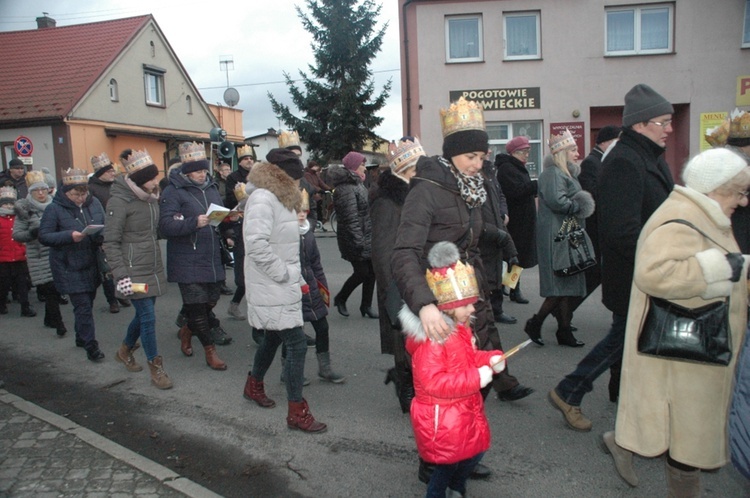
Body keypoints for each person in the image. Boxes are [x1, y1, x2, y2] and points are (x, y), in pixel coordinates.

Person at [392, 97, 533, 483]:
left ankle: (459, 450)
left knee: (480, 376)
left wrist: (500, 240)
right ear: (453, 153)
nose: (479, 163)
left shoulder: (471, 184)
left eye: (483, 155)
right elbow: (404, 251)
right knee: (443, 389)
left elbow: (467, 236)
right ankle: (435, 459)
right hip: (438, 302)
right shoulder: (427, 189)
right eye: (472, 155)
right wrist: (424, 306)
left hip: (473, 297)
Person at [601, 148, 750, 494]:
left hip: (692, 349)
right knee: (688, 439)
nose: (743, 202)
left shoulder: (701, 211)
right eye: (739, 192)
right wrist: (723, 268)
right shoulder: (682, 217)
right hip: (687, 350)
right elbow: (654, 274)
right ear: (716, 188)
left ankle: (623, 442)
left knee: (680, 429)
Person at [549, 83, 675, 432]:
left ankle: (605, 398)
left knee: (630, 341)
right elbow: (622, 233)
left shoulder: (646, 157)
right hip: (638, 274)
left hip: (648, 271)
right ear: (640, 124)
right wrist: (662, 262)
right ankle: (570, 390)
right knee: (622, 339)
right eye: (663, 121)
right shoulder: (624, 162)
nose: (670, 128)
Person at [399, 241, 506, 498]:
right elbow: (435, 383)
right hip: (443, 418)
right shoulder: (432, 341)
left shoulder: (459, 327)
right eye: (467, 304)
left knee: (472, 453)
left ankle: (456, 489)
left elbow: (468, 358)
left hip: (461, 411)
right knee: (447, 466)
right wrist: (476, 377)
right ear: (447, 306)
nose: (472, 309)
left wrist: (489, 359)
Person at [241, 148, 326, 433]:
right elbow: (257, 245)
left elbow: (284, 239)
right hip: (272, 283)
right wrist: (286, 274)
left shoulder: (280, 198)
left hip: (281, 282)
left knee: (272, 339)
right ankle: (296, 412)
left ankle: (254, 384)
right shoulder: (263, 198)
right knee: (296, 344)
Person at [104, 149, 172, 389]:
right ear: (139, 180)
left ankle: (124, 350)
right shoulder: (119, 201)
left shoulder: (150, 197)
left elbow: (154, 231)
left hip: (151, 264)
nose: (156, 181)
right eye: (152, 178)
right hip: (131, 269)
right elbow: (110, 241)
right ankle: (156, 368)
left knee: (143, 314)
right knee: (148, 317)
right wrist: (120, 274)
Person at [159, 142, 229, 371]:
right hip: (186, 256)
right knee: (197, 307)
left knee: (211, 301)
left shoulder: (211, 187)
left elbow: (217, 216)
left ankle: (187, 331)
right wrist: (192, 223)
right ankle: (210, 351)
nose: (202, 174)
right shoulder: (172, 191)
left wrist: (228, 223)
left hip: (210, 254)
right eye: (198, 171)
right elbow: (165, 226)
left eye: (204, 170)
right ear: (187, 172)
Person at [523, 129, 594, 347]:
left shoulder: (564, 173)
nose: (577, 152)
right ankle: (536, 322)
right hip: (557, 237)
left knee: (566, 285)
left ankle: (563, 331)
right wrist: (580, 204)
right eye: (572, 149)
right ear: (561, 153)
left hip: (564, 235)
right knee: (558, 286)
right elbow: (558, 201)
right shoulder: (553, 173)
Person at [371, 136, 425, 413]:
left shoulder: (418, 193)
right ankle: (404, 383)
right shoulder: (387, 200)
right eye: (417, 167)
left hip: (420, 273)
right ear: (404, 170)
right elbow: (381, 248)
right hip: (399, 279)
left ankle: (415, 381)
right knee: (405, 337)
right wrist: (390, 286)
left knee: (420, 336)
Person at [39, 168, 106, 361]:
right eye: (76, 194)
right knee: (82, 306)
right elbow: (44, 236)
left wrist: (101, 236)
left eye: (83, 193)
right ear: (65, 192)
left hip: (91, 261)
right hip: (68, 264)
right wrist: (69, 236)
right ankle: (91, 346)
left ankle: (81, 336)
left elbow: (104, 223)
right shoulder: (54, 209)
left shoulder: (94, 204)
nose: (80, 198)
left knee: (88, 302)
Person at [297, 191, 345, 383]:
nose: (301, 214)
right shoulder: (284, 234)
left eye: (303, 210)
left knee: (322, 328)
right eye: (295, 210)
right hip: (293, 290)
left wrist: (322, 286)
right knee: (293, 335)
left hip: (311, 289)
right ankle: (289, 371)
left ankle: (325, 368)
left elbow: (316, 263)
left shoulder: (308, 233)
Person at [12, 171, 63, 332]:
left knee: (55, 289)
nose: (40, 193)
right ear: (30, 192)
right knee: (49, 289)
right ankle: (58, 323)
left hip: (56, 252)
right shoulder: (25, 209)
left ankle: (49, 318)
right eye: (36, 190)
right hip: (38, 255)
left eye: (43, 189)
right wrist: (32, 233)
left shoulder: (56, 205)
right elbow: (17, 235)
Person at [329, 151, 378, 319]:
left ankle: (366, 306)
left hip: (365, 235)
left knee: (372, 272)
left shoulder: (358, 184)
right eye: (363, 164)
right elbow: (350, 218)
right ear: (355, 167)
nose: (365, 167)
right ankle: (341, 298)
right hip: (354, 238)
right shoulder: (345, 188)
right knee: (362, 272)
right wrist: (359, 240)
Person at [495, 136, 537, 304]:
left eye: (527, 151)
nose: (526, 155)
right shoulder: (507, 168)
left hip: (521, 219)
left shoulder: (516, 167)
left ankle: (509, 286)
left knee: (515, 257)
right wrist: (535, 186)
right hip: (516, 221)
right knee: (515, 257)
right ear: (513, 152)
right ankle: (514, 289)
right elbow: (516, 191)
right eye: (523, 151)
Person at [479, 151, 518, 325]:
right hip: (486, 233)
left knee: (498, 271)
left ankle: (497, 310)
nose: (488, 153)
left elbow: (500, 195)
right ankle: (487, 312)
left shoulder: (490, 173)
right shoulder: (475, 175)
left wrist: (503, 212)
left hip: (497, 225)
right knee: (486, 274)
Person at [88, 152, 129, 314]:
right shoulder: (91, 189)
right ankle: (112, 299)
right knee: (107, 267)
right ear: (100, 174)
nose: (113, 173)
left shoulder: (117, 185)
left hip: (121, 228)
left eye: (113, 170)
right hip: (104, 231)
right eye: (109, 171)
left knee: (121, 264)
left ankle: (121, 292)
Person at [224, 144, 255, 321]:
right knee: (243, 269)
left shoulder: (257, 176)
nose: (249, 161)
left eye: (250, 158)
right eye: (245, 158)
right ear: (240, 161)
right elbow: (229, 200)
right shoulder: (233, 178)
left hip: (255, 222)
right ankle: (235, 304)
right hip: (239, 223)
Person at [0, 186, 35, 317]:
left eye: (10, 203)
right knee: (4, 283)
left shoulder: (20, 217)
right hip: (3, 258)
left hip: (20, 256)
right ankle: (2, 303)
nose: (8, 206)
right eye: (5, 203)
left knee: (22, 283)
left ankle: (25, 306)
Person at [303, 160, 332, 231]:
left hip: (316, 195)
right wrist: (320, 190)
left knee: (320, 206)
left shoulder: (315, 175)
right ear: (311, 167)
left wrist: (329, 189)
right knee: (316, 206)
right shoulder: (307, 175)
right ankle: (316, 221)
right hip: (311, 194)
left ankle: (320, 222)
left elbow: (321, 183)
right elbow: (311, 185)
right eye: (315, 166)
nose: (317, 167)